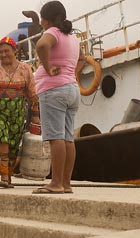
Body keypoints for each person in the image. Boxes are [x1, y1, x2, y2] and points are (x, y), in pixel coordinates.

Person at [33, 1, 84, 194]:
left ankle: (55, 183)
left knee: (56, 138)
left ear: (46, 19)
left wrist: (47, 67)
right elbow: (82, 58)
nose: (41, 24)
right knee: (68, 138)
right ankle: (66, 183)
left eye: (41, 20)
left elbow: (41, 46)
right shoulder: (72, 36)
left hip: (54, 90)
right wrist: (73, 74)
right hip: (72, 89)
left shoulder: (52, 32)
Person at [0, 36, 40, 188]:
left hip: (18, 112)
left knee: (13, 143)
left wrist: (36, 117)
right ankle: (4, 176)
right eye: (1, 52)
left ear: (15, 51)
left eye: (7, 51)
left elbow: (32, 94)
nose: (3, 54)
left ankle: (9, 176)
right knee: (2, 137)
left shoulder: (25, 69)